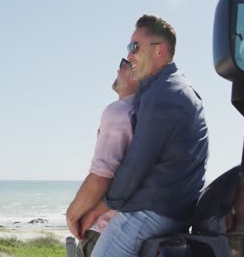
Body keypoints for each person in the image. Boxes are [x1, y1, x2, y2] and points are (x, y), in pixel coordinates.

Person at [90, 14, 209, 257]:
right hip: (172, 211)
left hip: (152, 212)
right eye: (128, 47)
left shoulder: (162, 95)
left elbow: (134, 168)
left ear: (160, 51)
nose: (130, 55)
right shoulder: (176, 88)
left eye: (135, 47)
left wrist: (97, 208)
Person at [66, 58, 138, 257]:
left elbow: (102, 176)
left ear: (135, 72)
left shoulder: (119, 111)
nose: (118, 68)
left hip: (104, 233)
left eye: (124, 63)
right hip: (130, 233)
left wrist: (72, 216)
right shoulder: (146, 113)